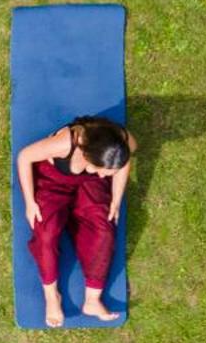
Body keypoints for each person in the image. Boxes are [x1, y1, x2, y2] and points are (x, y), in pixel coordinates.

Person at [14, 114, 136, 326]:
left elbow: (123, 164)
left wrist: (116, 200)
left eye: (108, 173)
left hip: (86, 184)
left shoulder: (121, 141)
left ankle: (92, 299)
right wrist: (30, 203)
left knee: (104, 228)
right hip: (53, 181)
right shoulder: (65, 144)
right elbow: (25, 157)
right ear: (88, 156)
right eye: (102, 170)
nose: (103, 176)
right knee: (46, 233)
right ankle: (52, 296)